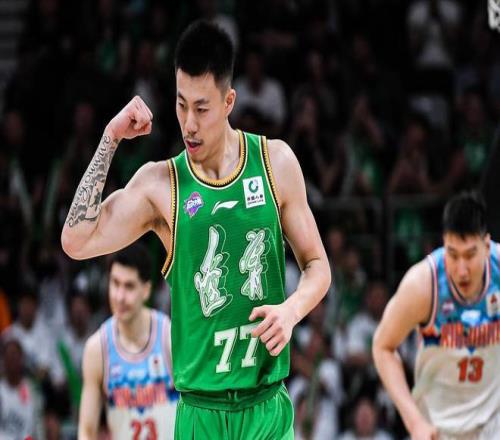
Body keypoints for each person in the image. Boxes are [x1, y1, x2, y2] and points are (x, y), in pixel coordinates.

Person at [61, 20, 330, 439]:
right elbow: (76, 241)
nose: (188, 123)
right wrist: (110, 138)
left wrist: (291, 311)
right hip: (200, 412)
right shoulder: (161, 185)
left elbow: (317, 265)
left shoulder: (275, 162)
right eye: (181, 104)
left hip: (266, 407)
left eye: (201, 108)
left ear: (229, 101)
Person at [373, 191, 500, 440]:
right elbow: (382, 347)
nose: (461, 270)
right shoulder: (422, 284)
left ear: (486, 246)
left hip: (493, 423)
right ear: (443, 243)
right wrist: (414, 422)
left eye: (470, 255)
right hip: (438, 427)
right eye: (453, 254)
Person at [78, 243, 178, 439]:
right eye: (115, 283)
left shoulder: (169, 336)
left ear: (146, 290)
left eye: (129, 286)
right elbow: (87, 430)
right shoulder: (97, 349)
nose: (120, 296)